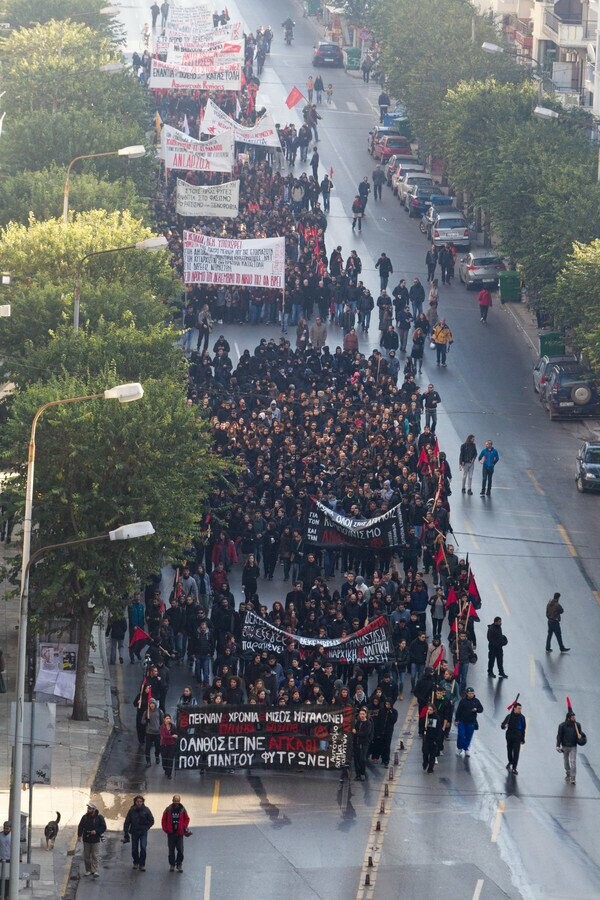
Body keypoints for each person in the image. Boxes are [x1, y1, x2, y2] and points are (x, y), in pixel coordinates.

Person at [123, 796, 154, 871]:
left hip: (143, 832)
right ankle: (136, 862)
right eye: (137, 801)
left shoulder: (146, 810)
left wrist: (146, 828)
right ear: (135, 802)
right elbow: (127, 822)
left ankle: (142, 864)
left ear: (143, 802)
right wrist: (126, 832)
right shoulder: (132, 810)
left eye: (140, 801)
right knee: (134, 849)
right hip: (134, 832)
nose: (139, 803)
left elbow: (152, 820)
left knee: (143, 848)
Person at [77, 802, 106, 878]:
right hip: (86, 839)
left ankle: (95, 870)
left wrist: (96, 831)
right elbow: (80, 826)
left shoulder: (99, 817)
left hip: (95, 839)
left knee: (95, 855)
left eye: (90, 808)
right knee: (86, 856)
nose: (88, 809)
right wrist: (79, 835)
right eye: (88, 808)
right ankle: (88, 870)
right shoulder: (85, 817)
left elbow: (103, 827)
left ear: (94, 809)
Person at [161, 795, 190, 873]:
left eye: (178, 801)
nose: (176, 802)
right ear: (172, 800)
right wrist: (166, 829)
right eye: (175, 800)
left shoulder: (182, 809)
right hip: (171, 833)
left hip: (179, 833)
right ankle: (172, 865)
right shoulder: (168, 809)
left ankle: (179, 864)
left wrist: (183, 827)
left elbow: (187, 819)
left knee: (180, 850)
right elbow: (163, 819)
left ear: (179, 801)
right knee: (171, 850)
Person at [557, 709, 586, 785]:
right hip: (565, 746)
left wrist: (580, 736)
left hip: (573, 746)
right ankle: (568, 772)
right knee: (566, 761)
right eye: (573, 717)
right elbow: (559, 736)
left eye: (574, 717)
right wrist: (557, 745)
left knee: (573, 762)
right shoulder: (562, 726)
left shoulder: (577, 725)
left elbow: (581, 734)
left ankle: (573, 778)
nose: (574, 718)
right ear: (569, 718)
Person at [454, 687, 483, 758]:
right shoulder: (463, 701)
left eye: (472, 693)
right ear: (467, 694)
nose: (471, 695)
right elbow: (458, 711)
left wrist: (476, 709)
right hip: (462, 721)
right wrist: (456, 719)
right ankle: (459, 748)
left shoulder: (476, 701)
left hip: (471, 722)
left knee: (468, 736)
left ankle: (466, 748)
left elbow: (481, 709)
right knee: (461, 735)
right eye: (469, 693)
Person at [501, 702, 526, 774]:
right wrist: (504, 726)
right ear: (514, 708)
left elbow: (523, 729)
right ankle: (510, 761)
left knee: (516, 752)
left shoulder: (522, 718)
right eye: (518, 708)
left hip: (517, 737)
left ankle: (514, 768)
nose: (520, 710)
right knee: (509, 750)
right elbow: (502, 725)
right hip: (509, 736)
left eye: (520, 709)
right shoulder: (509, 716)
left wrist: (522, 739)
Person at [352, 706, 373, 780]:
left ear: (366, 714)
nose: (361, 715)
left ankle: (362, 773)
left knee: (362, 759)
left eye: (363, 714)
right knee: (356, 759)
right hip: (357, 743)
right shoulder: (358, 722)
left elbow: (365, 733)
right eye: (360, 714)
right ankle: (358, 774)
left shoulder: (368, 723)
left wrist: (356, 733)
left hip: (364, 743)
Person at [143, 700, 162, 767]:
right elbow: (142, 721)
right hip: (149, 733)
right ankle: (148, 761)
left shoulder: (159, 711)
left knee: (157, 748)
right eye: (150, 703)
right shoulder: (146, 712)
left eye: (153, 703)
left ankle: (157, 757)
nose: (152, 705)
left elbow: (162, 722)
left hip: (157, 733)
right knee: (147, 749)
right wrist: (146, 720)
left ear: (155, 704)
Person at [160, 713, 178, 778]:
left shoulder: (173, 726)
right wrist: (172, 736)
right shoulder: (162, 727)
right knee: (164, 760)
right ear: (164, 719)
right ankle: (165, 769)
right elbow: (164, 736)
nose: (168, 720)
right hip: (164, 746)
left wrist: (175, 737)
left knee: (170, 760)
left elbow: (177, 734)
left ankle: (169, 774)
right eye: (167, 718)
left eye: (169, 718)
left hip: (171, 746)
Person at [0, 822, 10, 899]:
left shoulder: (14, 836)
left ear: (11, 828)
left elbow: (18, 849)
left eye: (7, 828)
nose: (5, 829)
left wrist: (19, 859)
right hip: (0, 860)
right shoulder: (0, 835)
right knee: (0, 878)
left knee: (7, 879)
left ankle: (6, 895)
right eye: (4, 828)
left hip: (9, 861)